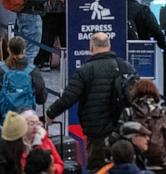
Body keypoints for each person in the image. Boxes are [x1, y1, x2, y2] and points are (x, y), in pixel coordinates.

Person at [46, 33, 136, 171]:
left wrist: (50, 114)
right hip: (123, 129)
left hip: (96, 133)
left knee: (97, 167)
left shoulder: (85, 70)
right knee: (124, 168)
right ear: (109, 45)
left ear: (91, 47)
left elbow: (68, 98)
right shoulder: (126, 67)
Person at [0, 37, 47, 121]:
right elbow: (42, 99)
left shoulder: (0, 70)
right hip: (27, 120)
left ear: (8, 50)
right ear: (24, 50)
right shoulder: (32, 70)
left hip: (6, 120)